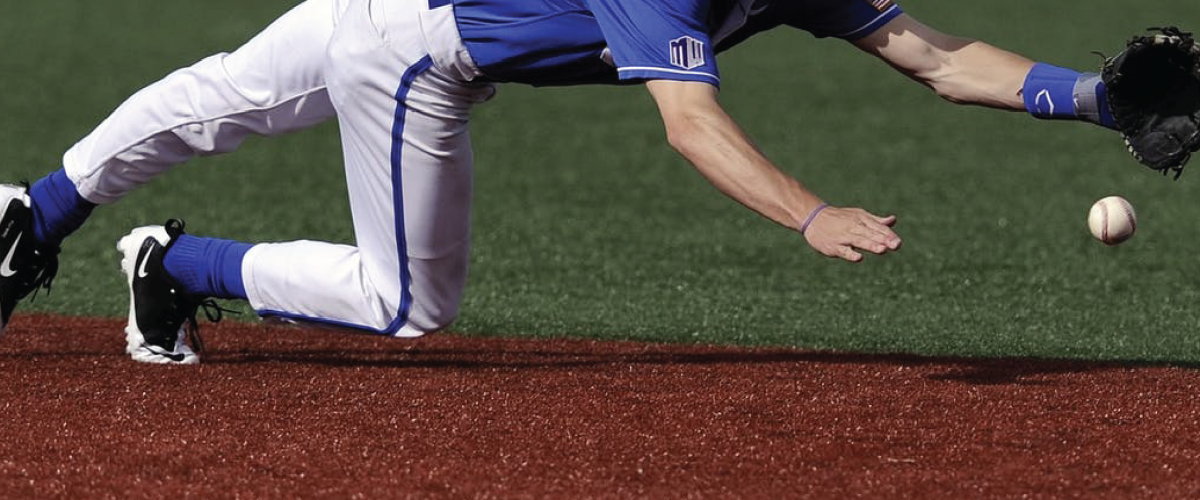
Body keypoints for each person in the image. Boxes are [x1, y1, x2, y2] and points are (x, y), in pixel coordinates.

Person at [0, 0, 1127, 364]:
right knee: (407, 303)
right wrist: (811, 212)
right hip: (414, 56)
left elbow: (938, 59)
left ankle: (36, 211)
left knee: (213, 99)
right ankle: (174, 266)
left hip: (387, 10)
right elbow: (690, 124)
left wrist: (1096, 97)